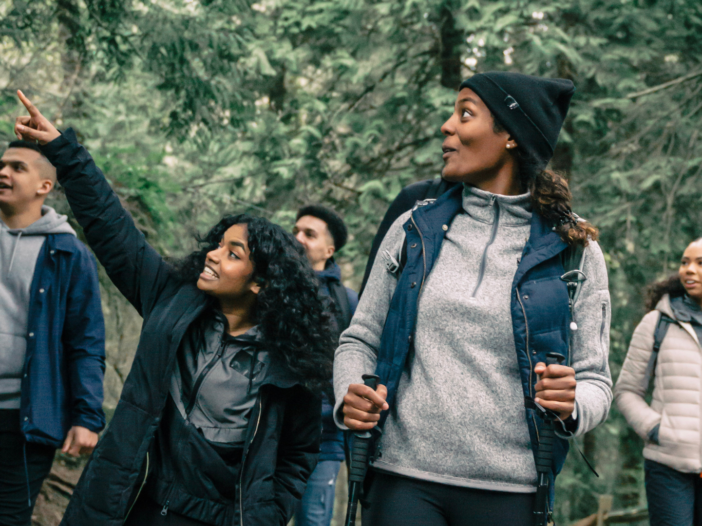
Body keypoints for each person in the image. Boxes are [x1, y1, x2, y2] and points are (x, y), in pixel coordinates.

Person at [13, 91, 337, 526]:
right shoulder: (173, 303)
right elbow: (114, 230)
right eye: (218, 245)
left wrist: (271, 513)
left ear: (261, 283)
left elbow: (298, 454)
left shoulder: (288, 363)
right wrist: (63, 152)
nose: (213, 255)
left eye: (233, 253)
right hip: (132, 502)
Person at [333, 72, 613, 525]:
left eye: (465, 113)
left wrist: (573, 400)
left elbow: (597, 380)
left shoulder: (574, 251)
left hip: (513, 491)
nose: (447, 126)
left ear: (510, 136)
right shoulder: (413, 229)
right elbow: (359, 339)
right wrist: (351, 391)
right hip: (402, 479)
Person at [0, 140, 105, 526]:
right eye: (1, 165)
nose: (3, 172)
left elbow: (85, 343)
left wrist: (87, 416)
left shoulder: (69, 254)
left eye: (17, 167)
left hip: (27, 418)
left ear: (44, 186)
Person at [615, 238, 702, 526]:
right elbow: (627, 391)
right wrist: (656, 430)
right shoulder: (657, 322)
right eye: (685, 262)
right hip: (668, 465)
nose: (689, 270)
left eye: (700, 264)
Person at [293, 205, 359, 526]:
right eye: (295, 231)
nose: (298, 238)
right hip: (266, 433)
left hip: (323, 440)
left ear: (329, 250)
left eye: (309, 234)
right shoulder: (268, 289)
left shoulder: (346, 301)